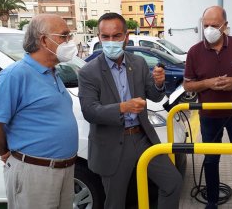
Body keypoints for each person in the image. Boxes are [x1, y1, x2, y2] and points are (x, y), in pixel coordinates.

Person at [78, 12, 182, 209]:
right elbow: (90, 111)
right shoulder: (88, 72)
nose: (110, 41)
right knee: (115, 202)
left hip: (142, 138)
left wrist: (159, 84)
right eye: (105, 37)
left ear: (126, 37)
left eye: (116, 36)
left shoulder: (138, 63)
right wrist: (123, 107)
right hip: (112, 142)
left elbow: (155, 96)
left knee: (172, 182)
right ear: (99, 37)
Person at [0, 14, 79, 209]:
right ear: (43, 40)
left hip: (64, 170)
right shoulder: (14, 75)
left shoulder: (52, 72)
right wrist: (7, 152)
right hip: (35, 173)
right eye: (64, 36)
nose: (69, 41)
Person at [183, 6, 232, 209]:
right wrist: (207, 83)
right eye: (206, 25)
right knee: (211, 160)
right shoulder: (195, 52)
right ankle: (212, 201)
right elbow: (187, 84)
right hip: (209, 115)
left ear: (225, 26)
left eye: (214, 25)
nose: (209, 29)